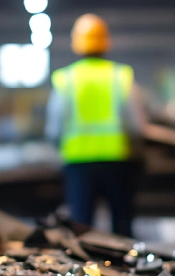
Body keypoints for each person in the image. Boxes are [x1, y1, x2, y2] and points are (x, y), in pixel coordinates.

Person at [44, 14, 147, 237]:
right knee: (121, 225)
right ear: (105, 42)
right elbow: (137, 127)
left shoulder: (65, 79)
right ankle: (123, 269)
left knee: (81, 228)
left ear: (76, 42)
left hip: (78, 164)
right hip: (117, 162)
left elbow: (53, 130)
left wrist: (61, 152)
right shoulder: (121, 76)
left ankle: (84, 271)